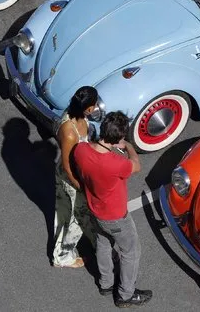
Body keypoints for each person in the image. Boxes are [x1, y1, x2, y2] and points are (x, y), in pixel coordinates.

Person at [74, 111, 152, 307]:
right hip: (116, 217)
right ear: (118, 138)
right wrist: (129, 147)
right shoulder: (116, 163)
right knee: (131, 252)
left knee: (103, 243)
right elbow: (136, 166)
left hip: (95, 209)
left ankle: (106, 283)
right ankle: (125, 295)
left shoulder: (81, 150)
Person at [52, 86, 97, 268]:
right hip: (72, 179)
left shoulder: (80, 116)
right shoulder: (70, 132)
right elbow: (67, 165)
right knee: (74, 217)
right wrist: (80, 186)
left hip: (80, 175)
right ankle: (63, 257)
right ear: (88, 108)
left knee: (75, 214)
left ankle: (93, 239)